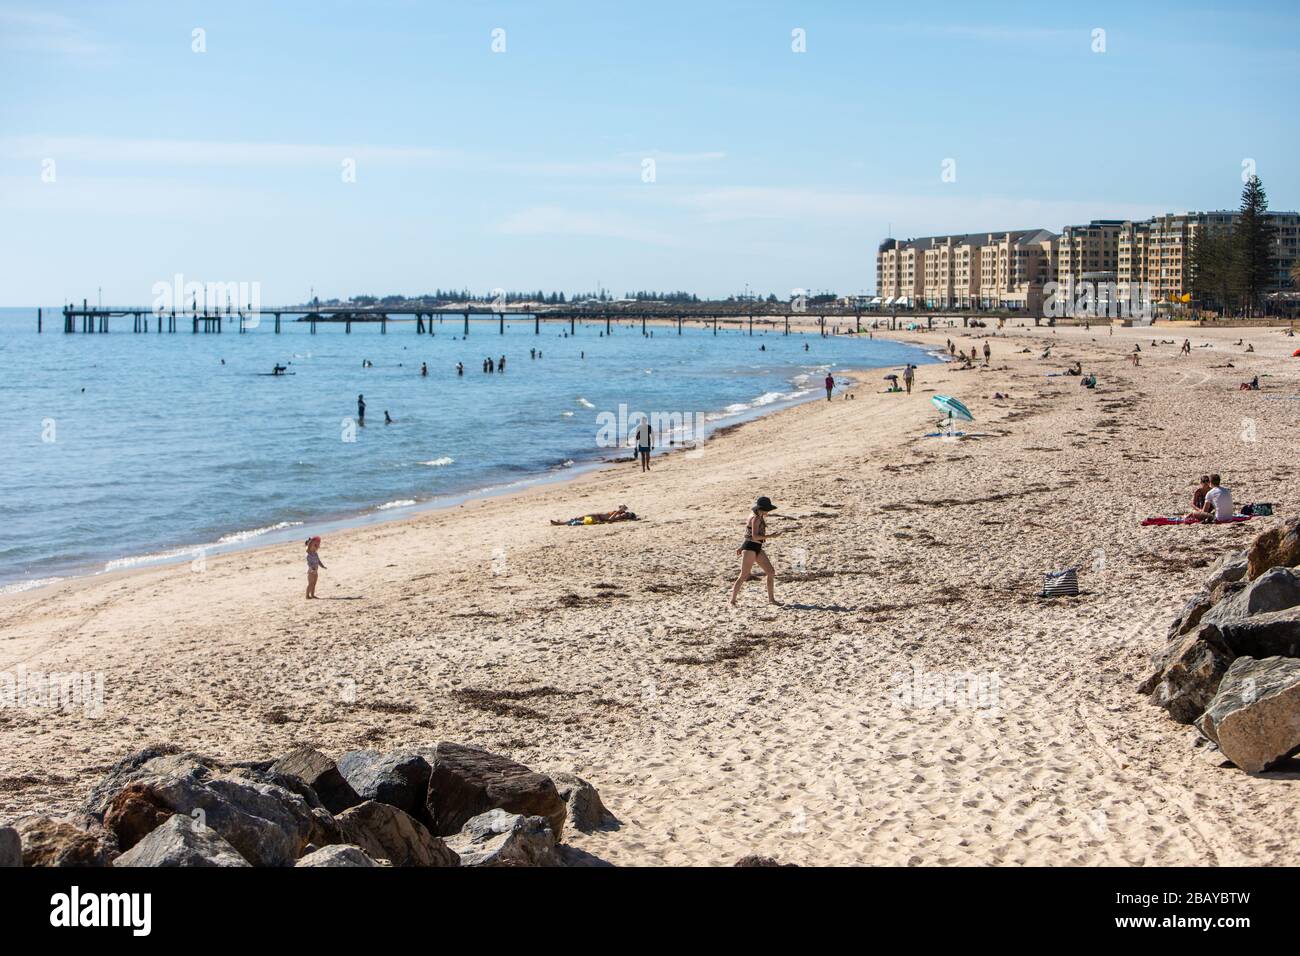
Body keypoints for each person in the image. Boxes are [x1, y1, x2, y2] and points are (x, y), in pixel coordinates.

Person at [730, 496, 779, 606]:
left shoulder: (757, 516)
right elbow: (755, 536)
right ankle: (732, 600)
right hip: (751, 548)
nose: (768, 512)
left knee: (771, 572)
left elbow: (747, 534)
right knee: (743, 575)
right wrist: (771, 536)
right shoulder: (756, 518)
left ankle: (771, 599)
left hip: (755, 547)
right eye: (767, 509)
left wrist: (742, 546)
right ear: (762, 509)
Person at [550, 505, 637, 526]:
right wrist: (621, 509)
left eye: (627, 514)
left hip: (596, 518)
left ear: (627, 517)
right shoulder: (621, 514)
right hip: (596, 517)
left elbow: (610, 520)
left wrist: (618, 511)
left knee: (577, 519)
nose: (626, 513)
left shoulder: (620, 516)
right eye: (627, 513)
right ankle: (561, 522)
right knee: (577, 520)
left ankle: (560, 523)